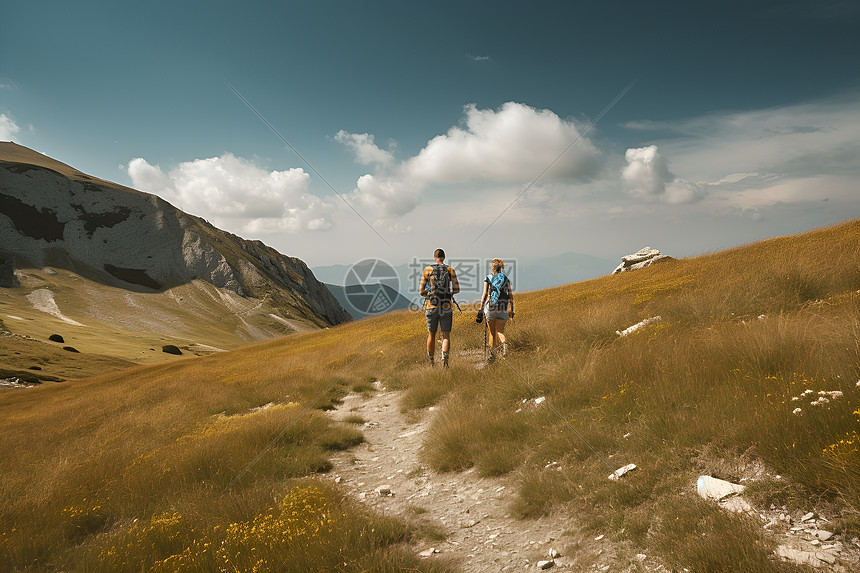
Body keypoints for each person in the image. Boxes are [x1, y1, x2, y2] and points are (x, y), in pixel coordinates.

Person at [419, 248, 460, 367]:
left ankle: (431, 361)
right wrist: (449, 294)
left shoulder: (427, 270)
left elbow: (421, 292)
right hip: (446, 306)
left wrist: (430, 294)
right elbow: (457, 289)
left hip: (431, 306)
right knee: (446, 334)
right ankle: (445, 361)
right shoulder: (450, 270)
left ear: (434, 257)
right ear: (444, 257)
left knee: (431, 334)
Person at [478, 258, 514, 364]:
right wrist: (512, 309)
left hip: (491, 307)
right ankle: (504, 343)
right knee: (499, 332)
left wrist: (480, 309)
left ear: (492, 268)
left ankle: (492, 356)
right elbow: (510, 295)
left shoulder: (489, 278)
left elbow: (485, 294)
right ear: (501, 268)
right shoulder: (505, 278)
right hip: (503, 307)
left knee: (492, 333)